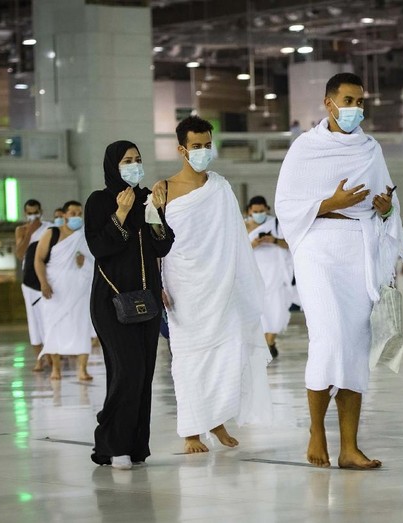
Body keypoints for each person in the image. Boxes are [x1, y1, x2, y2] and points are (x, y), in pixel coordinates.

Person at [275, 72, 403, 469]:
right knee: (329, 340)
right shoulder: (305, 148)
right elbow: (287, 206)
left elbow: (388, 200)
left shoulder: (370, 148)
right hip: (318, 247)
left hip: (359, 249)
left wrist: (385, 209)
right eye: (348, 100)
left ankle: (349, 448)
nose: (355, 109)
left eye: (360, 102)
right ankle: (317, 431)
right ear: (328, 103)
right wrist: (331, 201)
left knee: (353, 348)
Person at [154, 116, 273, 454]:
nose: (204, 151)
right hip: (183, 285)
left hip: (221, 283)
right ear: (181, 149)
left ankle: (217, 418)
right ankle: (191, 431)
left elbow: (234, 239)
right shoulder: (162, 191)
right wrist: (157, 284)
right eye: (197, 146)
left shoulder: (219, 187)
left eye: (208, 145)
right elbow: (153, 242)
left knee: (227, 351)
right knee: (189, 357)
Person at [85, 140, 174, 470]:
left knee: (143, 374)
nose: (134, 165)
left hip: (146, 301)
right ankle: (112, 442)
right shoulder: (99, 201)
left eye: (138, 160)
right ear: (113, 165)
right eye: (127, 160)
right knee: (128, 370)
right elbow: (100, 247)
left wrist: (156, 214)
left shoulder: (147, 199)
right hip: (110, 303)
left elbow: (162, 247)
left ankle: (134, 446)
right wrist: (120, 214)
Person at [34, 200, 94, 381]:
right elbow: (38, 259)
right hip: (54, 289)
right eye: (72, 213)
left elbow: (95, 260)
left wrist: (85, 262)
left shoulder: (85, 236)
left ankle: (82, 370)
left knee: (81, 327)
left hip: (79, 290)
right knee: (53, 327)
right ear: (65, 214)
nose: (76, 216)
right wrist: (43, 283)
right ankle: (56, 370)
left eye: (79, 213)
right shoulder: (52, 233)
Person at [246, 195, 292, 358]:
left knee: (276, 311)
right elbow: (237, 252)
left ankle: (270, 341)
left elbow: (290, 244)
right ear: (250, 211)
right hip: (254, 275)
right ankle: (263, 345)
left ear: (267, 209)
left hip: (276, 275)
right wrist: (254, 244)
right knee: (259, 312)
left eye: (261, 210)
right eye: (255, 211)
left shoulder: (277, 225)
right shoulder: (243, 227)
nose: (259, 213)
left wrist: (273, 240)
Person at [14, 199, 52, 371]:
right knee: (34, 321)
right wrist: (29, 233)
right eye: (29, 213)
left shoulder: (49, 228)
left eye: (35, 212)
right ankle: (39, 358)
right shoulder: (21, 230)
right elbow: (20, 254)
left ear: (41, 211)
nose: (33, 215)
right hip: (29, 280)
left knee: (48, 319)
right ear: (25, 214)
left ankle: (53, 355)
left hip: (47, 277)